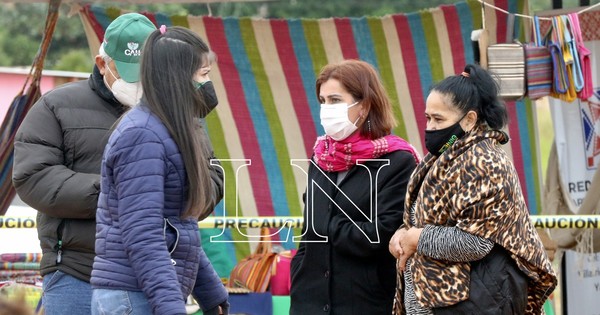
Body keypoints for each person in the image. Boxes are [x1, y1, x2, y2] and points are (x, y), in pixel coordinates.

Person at [12, 13, 156, 315]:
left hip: (153, 274)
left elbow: (209, 178)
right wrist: (115, 191)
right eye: (129, 72)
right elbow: (33, 177)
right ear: (102, 62)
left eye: (146, 72)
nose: (138, 82)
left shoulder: (173, 110)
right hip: (77, 274)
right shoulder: (55, 106)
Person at [388, 64, 557, 314]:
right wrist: (403, 234)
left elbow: (477, 242)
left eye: (439, 119)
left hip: (472, 303)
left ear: (469, 120)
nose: (431, 127)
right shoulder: (441, 158)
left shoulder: (485, 163)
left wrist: (417, 237)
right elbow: (427, 219)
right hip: (434, 303)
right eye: (427, 118)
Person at [90, 25, 228, 315]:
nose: (208, 84)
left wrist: (211, 292)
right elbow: (144, 235)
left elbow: (177, 228)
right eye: (203, 75)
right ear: (178, 78)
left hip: (143, 292)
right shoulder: (143, 135)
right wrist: (170, 307)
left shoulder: (166, 129)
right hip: (133, 297)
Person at [290, 59, 420, 314]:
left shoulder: (397, 160)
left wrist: (328, 224)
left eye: (335, 100)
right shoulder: (321, 158)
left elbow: (381, 234)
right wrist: (300, 269)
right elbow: (309, 231)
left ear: (365, 105)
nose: (326, 108)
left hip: (367, 301)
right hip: (310, 301)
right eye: (323, 100)